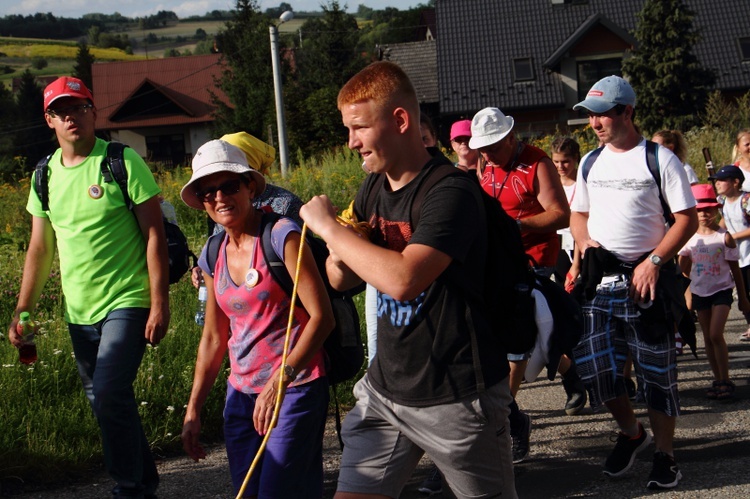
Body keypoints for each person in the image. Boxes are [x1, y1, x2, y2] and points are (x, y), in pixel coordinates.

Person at [300, 61, 517, 499]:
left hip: (457, 398)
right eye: (348, 129)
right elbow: (339, 280)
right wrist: (343, 251)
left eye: (358, 128)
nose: (351, 143)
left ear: (400, 121)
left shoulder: (451, 192)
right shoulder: (372, 188)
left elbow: (403, 280)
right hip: (386, 392)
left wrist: (330, 230)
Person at [7, 76, 170, 498]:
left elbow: (154, 234)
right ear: (49, 121)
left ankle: (129, 487)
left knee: (112, 393)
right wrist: (23, 307)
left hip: (128, 300)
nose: (71, 117)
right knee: (107, 402)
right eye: (61, 111)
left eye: (78, 108)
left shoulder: (120, 160)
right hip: (78, 312)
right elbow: (39, 248)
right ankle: (145, 482)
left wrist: (159, 302)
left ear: (92, 111)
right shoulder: (43, 175)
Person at [180, 139, 334, 498]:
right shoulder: (211, 252)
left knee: (275, 492)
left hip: (295, 388)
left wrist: (281, 379)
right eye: (208, 192)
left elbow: (322, 317)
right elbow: (214, 339)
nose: (219, 198)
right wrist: (194, 409)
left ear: (250, 186)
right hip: (241, 395)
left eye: (229, 186)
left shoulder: (282, 236)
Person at [570, 75, 697, 490]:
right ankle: (631, 433)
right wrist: (583, 243)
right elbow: (579, 214)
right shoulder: (590, 161)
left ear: (627, 111)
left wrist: (655, 261)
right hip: (601, 282)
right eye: (590, 116)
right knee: (595, 370)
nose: (594, 124)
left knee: (656, 376)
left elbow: (686, 218)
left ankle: (665, 456)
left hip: (648, 283)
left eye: (602, 114)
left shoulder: (660, 159)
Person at [470, 107, 584, 461]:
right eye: (481, 147)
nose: (486, 153)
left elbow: (560, 214)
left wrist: (518, 226)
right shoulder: (484, 163)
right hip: (498, 259)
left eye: (492, 146)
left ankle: (505, 420)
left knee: (517, 339)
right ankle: (570, 372)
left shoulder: (537, 164)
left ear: (510, 137)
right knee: (521, 335)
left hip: (535, 259)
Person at [190, 131, 304, 288]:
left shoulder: (286, 203)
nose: (219, 196)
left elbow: (302, 262)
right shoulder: (219, 206)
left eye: (230, 185)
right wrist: (204, 268)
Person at [678, 183, 750, 400]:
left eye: (708, 209)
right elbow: (682, 270)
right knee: (707, 340)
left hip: (722, 290)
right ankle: (718, 378)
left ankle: (726, 378)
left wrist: (743, 298)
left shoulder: (724, 236)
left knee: (715, 333)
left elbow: (735, 269)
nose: (704, 214)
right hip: (700, 292)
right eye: (699, 210)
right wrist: (686, 298)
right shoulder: (690, 238)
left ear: (716, 209)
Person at [711, 164, 750, 341]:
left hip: (749, 254)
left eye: (722, 180)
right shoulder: (723, 202)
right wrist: (714, 235)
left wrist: (732, 237)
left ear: (735, 182)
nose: (717, 183)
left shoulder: (746, 200)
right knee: (744, 294)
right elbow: (724, 221)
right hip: (738, 257)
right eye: (716, 180)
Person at [551, 136, 582, 292]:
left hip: (579, 244)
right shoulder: (551, 183)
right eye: (556, 162)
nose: (560, 166)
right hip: (558, 244)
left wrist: (576, 263)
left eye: (565, 161)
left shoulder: (583, 182)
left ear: (575, 158)